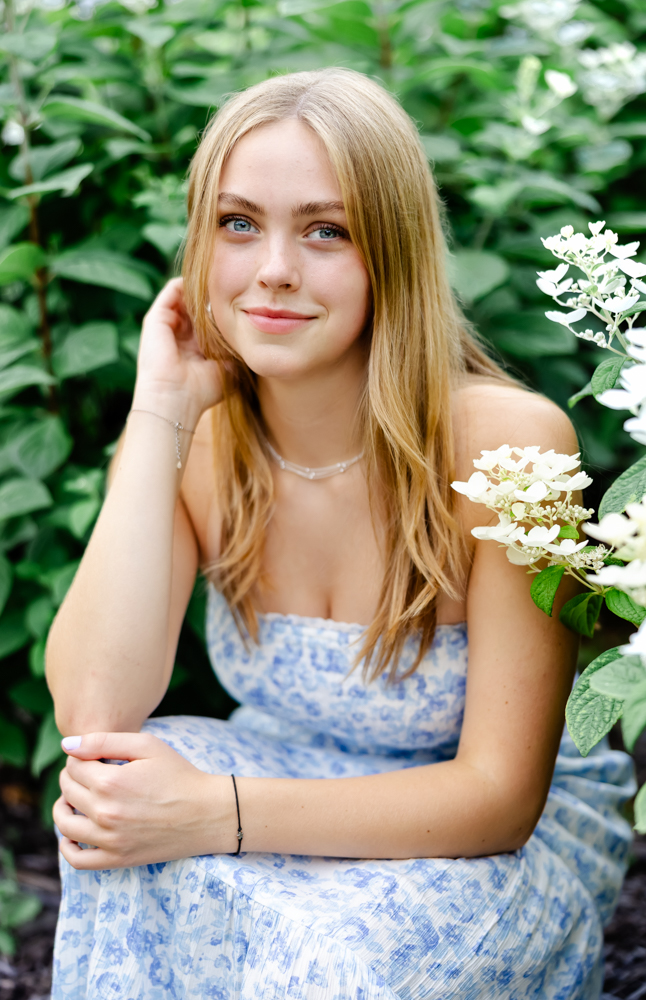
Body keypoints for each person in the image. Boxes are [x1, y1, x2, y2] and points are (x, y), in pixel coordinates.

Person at [46, 68, 634, 1000]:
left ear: (390, 252)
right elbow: (92, 712)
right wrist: (158, 408)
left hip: (471, 825)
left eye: (327, 231)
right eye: (239, 224)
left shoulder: (508, 448)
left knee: (331, 965)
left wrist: (214, 814)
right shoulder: (197, 433)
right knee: (109, 802)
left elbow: (497, 798)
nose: (274, 268)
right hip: (276, 775)